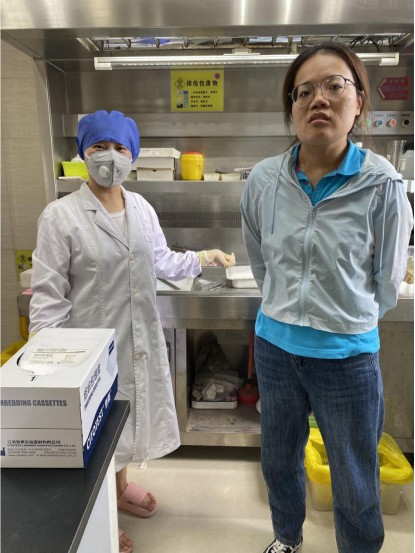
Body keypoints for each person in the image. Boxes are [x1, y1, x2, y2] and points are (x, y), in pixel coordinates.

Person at [29, 109, 235, 553]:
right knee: (94, 431)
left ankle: (119, 489)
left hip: (137, 339)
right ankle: (99, 517)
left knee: (123, 421)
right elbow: (47, 296)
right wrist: (48, 363)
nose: (110, 156)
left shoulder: (140, 207)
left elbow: (161, 260)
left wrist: (203, 257)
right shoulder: (60, 216)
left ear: (133, 155)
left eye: (119, 147)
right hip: (86, 349)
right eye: (99, 146)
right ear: (83, 153)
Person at [240, 42, 413, 553]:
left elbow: (387, 280)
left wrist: (346, 319)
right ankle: (286, 537)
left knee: (355, 475)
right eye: (304, 91)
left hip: (346, 357)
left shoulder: (382, 185)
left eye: (335, 86)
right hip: (275, 349)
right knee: (279, 460)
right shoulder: (263, 180)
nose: (319, 99)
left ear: (358, 102)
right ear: (291, 108)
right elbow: (260, 259)